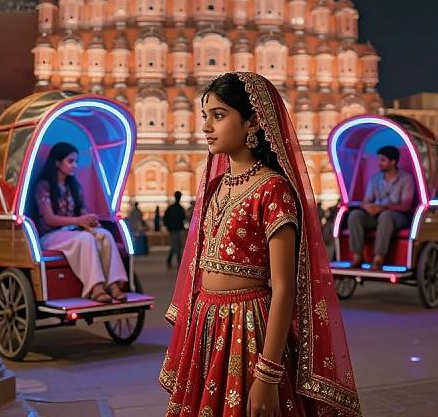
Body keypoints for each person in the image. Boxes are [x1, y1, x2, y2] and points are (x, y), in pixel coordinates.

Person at [159, 73, 361, 417]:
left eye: (219, 116)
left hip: (251, 328)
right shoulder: (216, 187)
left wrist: (267, 375)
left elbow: (284, 288)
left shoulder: (273, 190)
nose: (207, 127)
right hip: (207, 325)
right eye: (204, 116)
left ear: (252, 121)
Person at [35, 142, 128, 303]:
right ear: (57, 163)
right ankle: (95, 287)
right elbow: (49, 218)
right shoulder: (44, 186)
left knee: (104, 235)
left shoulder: (73, 186)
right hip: (50, 236)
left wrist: (89, 220)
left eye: (76, 161)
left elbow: (81, 211)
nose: (75, 166)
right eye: (70, 161)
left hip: (72, 232)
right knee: (86, 239)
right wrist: (78, 220)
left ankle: (112, 284)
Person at [348, 145, 415, 270]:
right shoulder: (375, 179)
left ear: (393, 162)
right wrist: (368, 207)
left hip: (398, 216)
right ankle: (357, 256)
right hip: (376, 215)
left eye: (383, 160)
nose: (379, 163)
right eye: (379, 160)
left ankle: (378, 258)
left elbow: (405, 206)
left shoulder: (406, 178)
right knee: (355, 215)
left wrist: (382, 208)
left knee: (386, 216)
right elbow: (366, 200)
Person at [163, 191, 186, 269]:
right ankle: (177, 261)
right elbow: (183, 218)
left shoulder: (171, 208)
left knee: (175, 246)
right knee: (177, 246)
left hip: (174, 229)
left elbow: (165, 218)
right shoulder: (180, 208)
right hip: (177, 229)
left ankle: (173, 260)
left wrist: (168, 226)